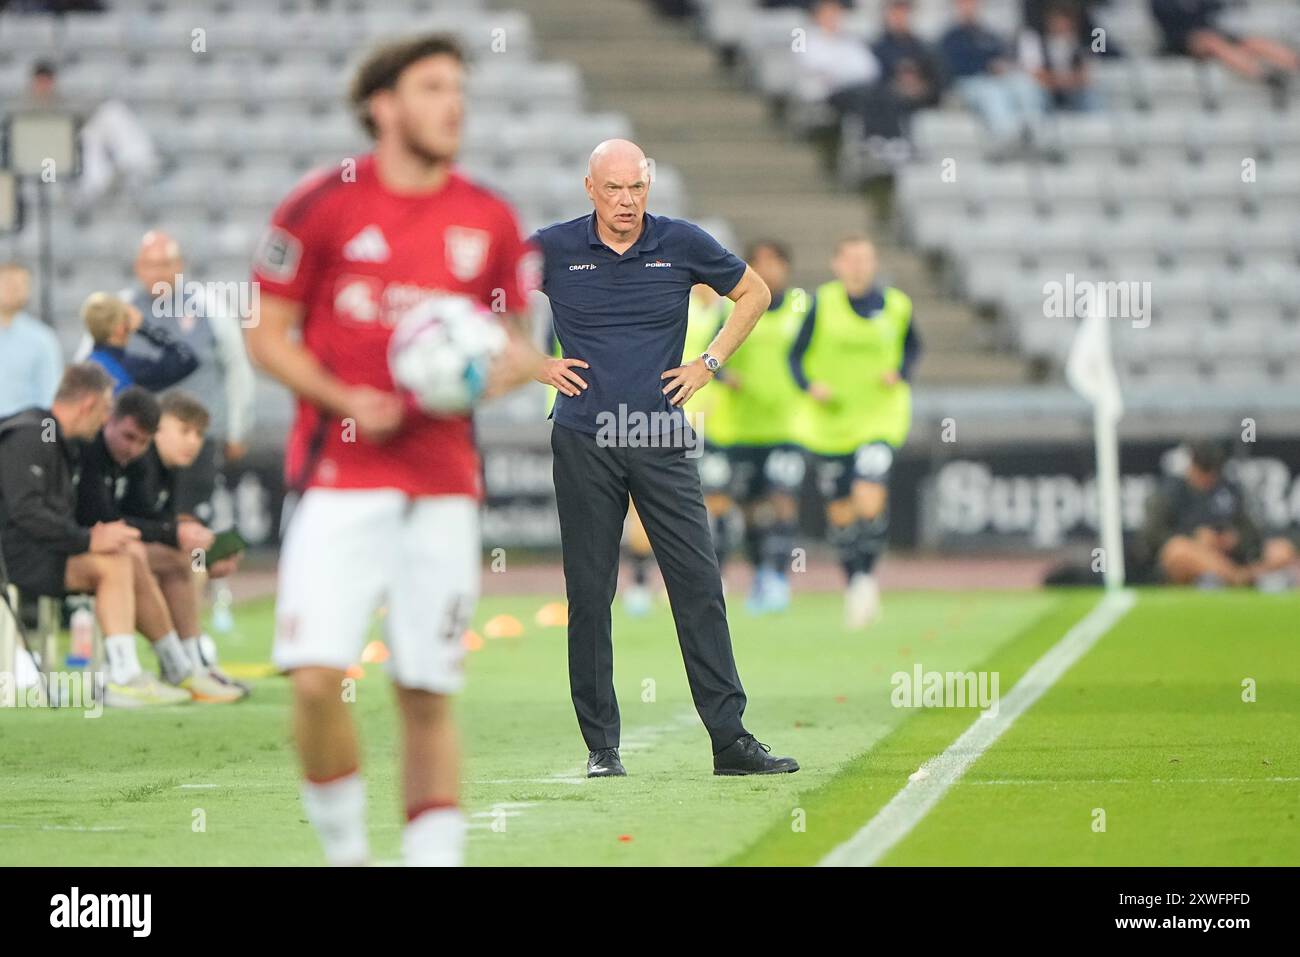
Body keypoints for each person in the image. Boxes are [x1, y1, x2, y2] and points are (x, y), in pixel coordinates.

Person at [246, 34, 541, 867]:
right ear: (385, 105)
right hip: (339, 476)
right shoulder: (322, 205)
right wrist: (348, 401)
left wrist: (474, 378)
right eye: (433, 87)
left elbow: (520, 351)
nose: (454, 104)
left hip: (444, 484)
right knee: (313, 675)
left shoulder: (488, 218)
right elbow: (266, 335)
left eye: (459, 89)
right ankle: (348, 854)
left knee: (425, 688)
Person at [530, 137, 800, 779]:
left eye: (638, 188)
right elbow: (476, 298)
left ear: (649, 187)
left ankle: (730, 742)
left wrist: (708, 363)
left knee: (700, 584)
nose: (627, 202)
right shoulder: (552, 248)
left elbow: (754, 293)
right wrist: (532, 364)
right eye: (615, 189)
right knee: (590, 594)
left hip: (660, 435)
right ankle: (602, 748)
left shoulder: (680, 241)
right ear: (589, 188)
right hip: (583, 438)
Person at [0, 364, 191, 707]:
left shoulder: (55, 436)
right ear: (88, 404)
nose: (106, 419)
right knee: (114, 563)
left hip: (39, 550)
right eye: (105, 410)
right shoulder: (32, 432)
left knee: (127, 552)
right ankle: (122, 676)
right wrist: (87, 540)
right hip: (12, 558)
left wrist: (92, 536)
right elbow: (25, 512)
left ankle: (178, 666)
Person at [75, 387, 245, 701]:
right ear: (160, 428)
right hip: (90, 550)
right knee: (159, 557)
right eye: (184, 430)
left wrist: (202, 551)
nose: (193, 441)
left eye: (198, 434)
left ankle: (190, 662)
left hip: (113, 548)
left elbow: (151, 523)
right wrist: (176, 534)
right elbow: (119, 519)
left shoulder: (164, 467)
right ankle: (167, 666)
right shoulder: (136, 459)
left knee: (184, 561)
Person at [789, 235, 920, 629]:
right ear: (837, 264)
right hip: (831, 423)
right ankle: (855, 581)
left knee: (869, 496)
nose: (859, 266)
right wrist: (810, 386)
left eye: (866, 259)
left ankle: (867, 576)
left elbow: (913, 348)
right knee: (841, 514)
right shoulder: (821, 303)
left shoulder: (896, 306)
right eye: (851, 259)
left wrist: (901, 372)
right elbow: (795, 356)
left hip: (880, 418)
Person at [118, 230, 257, 524]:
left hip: (197, 437)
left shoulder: (209, 305)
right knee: (142, 520)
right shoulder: (122, 307)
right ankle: (161, 569)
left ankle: (195, 569)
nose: (158, 273)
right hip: (141, 438)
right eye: (150, 264)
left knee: (192, 520)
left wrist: (237, 428)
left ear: (179, 266)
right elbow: (95, 367)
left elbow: (237, 368)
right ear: (138, 268)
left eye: (165, 264)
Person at [705, 241, 811, 614]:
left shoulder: (803, 307)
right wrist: (723, 375)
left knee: (782, 499)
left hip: (786, 425)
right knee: (742, 508)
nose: (767, 270)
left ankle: (778, 576)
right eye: (759, 263)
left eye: (774, 262)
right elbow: (710, 355)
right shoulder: (736, 305)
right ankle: (747, 577)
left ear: (786, 266)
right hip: (737, 428)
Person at [1143, 440, 1297, 588]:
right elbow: (1153, 537)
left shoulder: (1229, 490)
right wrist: (1194, 537)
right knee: (1177, 549)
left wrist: (1234, 540)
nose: (1207, 478)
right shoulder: (1171, 492)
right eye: (1203, 471)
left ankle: (1232, 577)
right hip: (1192, 559)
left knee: (1282, 550)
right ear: (1192, 466)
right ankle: (1236, 579)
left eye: (1212, 472)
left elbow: (1252, 533)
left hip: (1231, 557)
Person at [940, 0, 1047, 155]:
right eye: (964, 4)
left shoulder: (988, 34)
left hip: (995, 79)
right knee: (990, 91)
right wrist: (986, 67)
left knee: (1023, 82)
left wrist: (1002, 67)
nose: (968, 7)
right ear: (957, 7)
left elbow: (1003, 56)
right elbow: (952, 67)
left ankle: (1036, 127)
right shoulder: (950, 37)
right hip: (968, 82)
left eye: (972, 3)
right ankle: (1006, 134)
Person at [1150, 0, 1298, 96]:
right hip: (1181, 41)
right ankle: (1266, 76)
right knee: (1212, 42)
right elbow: (1171, 25)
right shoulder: (1161, 3)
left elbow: (1214, 10)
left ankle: (1294, 62)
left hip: (1211, 33)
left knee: (1252, 42)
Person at [82, 291, 197, 395]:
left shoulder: (84, 367)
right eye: (127, 317)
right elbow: (186, 358)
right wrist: (145, 327)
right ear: (120, 328)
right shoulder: (131, 369)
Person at [0, 262, 63, 418]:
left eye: (22, 283)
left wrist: (48, 439)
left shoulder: (43, 339)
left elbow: (50, 398)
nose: (14, 289)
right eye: (8, 281)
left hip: (20, 432)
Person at [1018, 0, 1099, 111]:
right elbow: (1035, 74)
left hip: (1071, 91)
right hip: (1045, 91)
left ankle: (1094, 125)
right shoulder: (1033, 38)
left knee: (1090, 93)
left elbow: (1085, 75)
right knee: (1032, 91)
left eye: (1065, 21)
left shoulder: (1077, 41)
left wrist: (1068, 82)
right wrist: (1062, 81)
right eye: (1058, 20)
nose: (1062, 25)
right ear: (1049, 20)